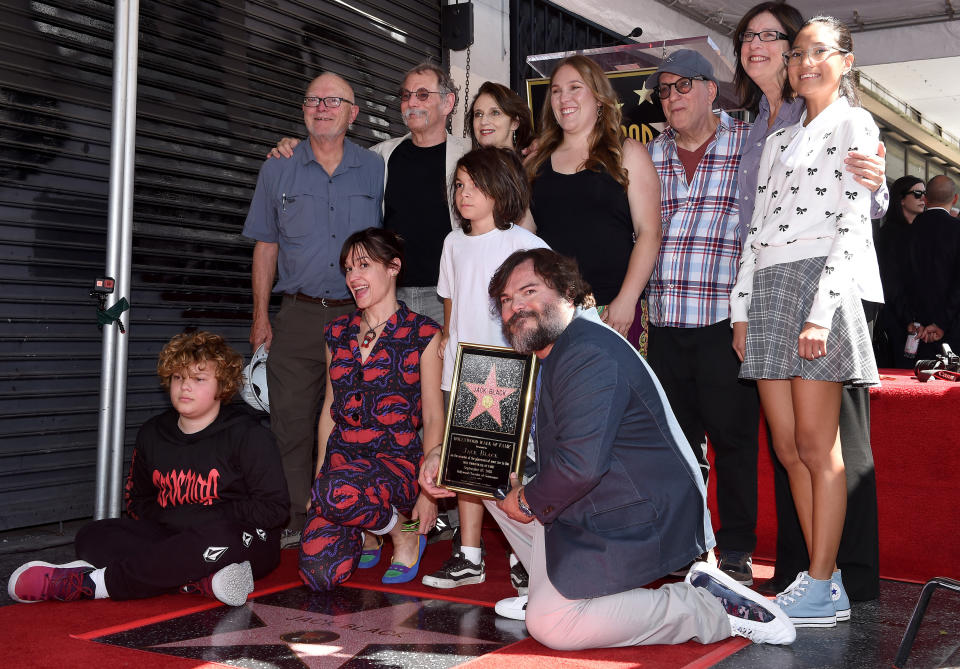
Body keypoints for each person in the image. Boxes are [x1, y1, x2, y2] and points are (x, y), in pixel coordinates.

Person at [419, 249, 795, 649]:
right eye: (507, 301)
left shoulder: (587, 352)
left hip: (637, 513)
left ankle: (708, 606)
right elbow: (499, 440)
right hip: (598, 499)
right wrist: (447, 457)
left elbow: (579, 467)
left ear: (567, 292)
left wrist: (527, 499)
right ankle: (559, 589)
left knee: (553, 626)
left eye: (529, 291)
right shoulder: (551, 351)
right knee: (482, 475)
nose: (516, 307)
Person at [732, 2, 889, 602]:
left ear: (845, 62)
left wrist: (822, 311)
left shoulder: (857, 125)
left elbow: (853, 222)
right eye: (798, 53)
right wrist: (742, 308)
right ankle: (814, 579)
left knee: (823, 447)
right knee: (788, 446)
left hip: (822, 283)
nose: (805, 62)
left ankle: (829, 582)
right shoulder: (777, 141)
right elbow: (756, 230)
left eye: (818, 51)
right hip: (769, 287)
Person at [8, 332, 289, 606]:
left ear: (223, 386)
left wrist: (202, 518)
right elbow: (137, 501)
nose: (185, 387)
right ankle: (196, 581)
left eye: (198, 379)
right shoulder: (153, 433)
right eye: (178, 377)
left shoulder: (249, 435)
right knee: (93, 536)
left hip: (239, 539)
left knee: (219, 540)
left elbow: (275, 509)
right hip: (174, 536)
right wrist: (174, 521)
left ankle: (92, 585)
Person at [243, 73, 385, 549]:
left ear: (353, 113)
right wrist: (261, 317)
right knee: (291, 420)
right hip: (298, 315)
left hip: (359, 316)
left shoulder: (376, 167)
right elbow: (265, 247)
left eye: (333, 100)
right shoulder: (277, 168)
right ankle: (297, 517)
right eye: (312, 100)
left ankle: (354, 513)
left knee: (359, 420)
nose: (321, 107)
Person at [645, 49, 760, 586]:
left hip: (725, 322)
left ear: (712, 90)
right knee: (677, 446)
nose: (672, 97)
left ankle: (736, 548)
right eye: (665, 90)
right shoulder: (648, 156)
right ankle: (689, 545)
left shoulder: (749, 142)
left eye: (683, 86)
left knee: (733, 440)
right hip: (665, 324)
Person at [420, 148, 548, 591]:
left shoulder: (524, 244)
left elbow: (545, 307)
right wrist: (447, 351)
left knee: (513, 465)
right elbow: (451, 307)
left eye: (474, 184)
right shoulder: (452, 243)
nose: (464, 193)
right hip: (464, 367)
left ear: (501, 188)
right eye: (458, 185)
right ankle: (469, 554)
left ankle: (524, 553)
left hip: (510, 370)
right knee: (467, 464)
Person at [270, 63, 471, 325]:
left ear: (447, 103)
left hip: (449, 296)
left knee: (448, 366)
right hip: (391, 297)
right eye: (406, 95)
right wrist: (294, 148)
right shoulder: (379, 156)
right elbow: (329, 158)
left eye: (422, 94)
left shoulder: (470, 154)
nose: (411, 102)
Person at [298, 228, 443, 591]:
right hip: (342, 469)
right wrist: (320, 477)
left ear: (393, 267)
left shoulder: (423, 333)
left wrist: (428, 495)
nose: (353, 278)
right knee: (319, 576)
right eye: (348, 269)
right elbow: (330, 408)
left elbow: (432, 417)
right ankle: (372, 533)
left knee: (337, 490)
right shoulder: (336, 333)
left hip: (395, 465)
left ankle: (404, 532)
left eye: (363, 265)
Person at [525, 55, 661, 341]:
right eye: (557, 90)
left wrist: (627, 298)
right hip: (551, 314)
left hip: (614, 311)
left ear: (599, 98)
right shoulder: (536, 163)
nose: (564, 98)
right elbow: (525, 241)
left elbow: (649, 233)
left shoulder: (628, 153)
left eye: (575, 87)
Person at [899, 175, 960, 359]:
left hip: (914, 332)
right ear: (955, 198)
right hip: (952, 329)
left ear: (925, 199)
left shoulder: (906, 233)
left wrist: (911, 320)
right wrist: (941, 322)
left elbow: (897, 280)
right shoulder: (957, 231)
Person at [875, 175, 925, 367]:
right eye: (918, 193)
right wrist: (908, 318)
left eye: (925, 194)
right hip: (897, 319)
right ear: (901, 199)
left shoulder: (922, 233)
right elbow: (891, 281)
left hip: (920, 321)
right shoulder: (890, 234)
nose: (923, 198)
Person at [467, 81, 535, 153]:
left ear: (515, 123)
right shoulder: (466, 163)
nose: (483, 121)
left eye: (495, 113)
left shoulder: (534, 162)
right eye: (478, 114)